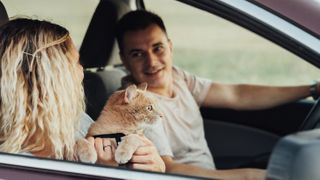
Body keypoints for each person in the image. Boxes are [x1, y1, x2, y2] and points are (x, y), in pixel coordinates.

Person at [115, 10, 320, 179]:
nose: (151, 62)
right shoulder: (135, 104)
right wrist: (249, 176)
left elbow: (236, 95)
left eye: (157, 48)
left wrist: (311, 90)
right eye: (137, 54)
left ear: (170, 47)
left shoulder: (178, 77)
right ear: (124, 60)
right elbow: (166, 169)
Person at [0, 18, 165, 172]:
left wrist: (155, 167)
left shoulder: (76, 119)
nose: (82, 72)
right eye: (76, 63)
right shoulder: (17, 164)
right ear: (50, 78)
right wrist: (102, 171)